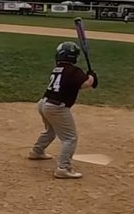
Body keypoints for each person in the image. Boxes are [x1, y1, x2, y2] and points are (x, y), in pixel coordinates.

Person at [28, 41, 98, 179]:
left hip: (43, 104)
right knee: (70, 138)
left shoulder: (57, 69)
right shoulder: (74, 71)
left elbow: (75, 84)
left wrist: (89, 78)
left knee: (50, 131)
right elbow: (86, 84)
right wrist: (92, 77)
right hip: (56, 107)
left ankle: (37, 151)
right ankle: (63, 168)